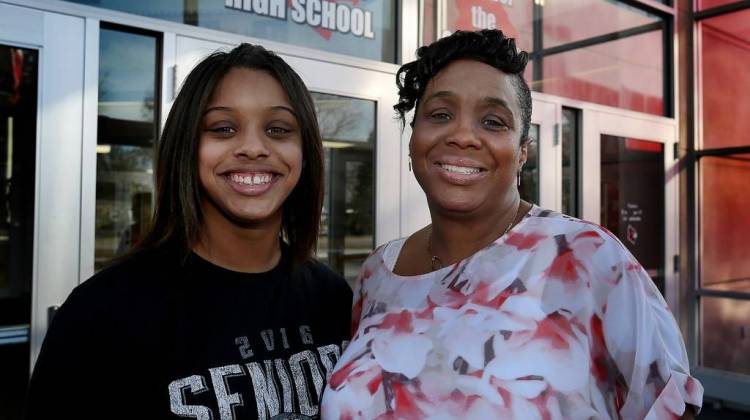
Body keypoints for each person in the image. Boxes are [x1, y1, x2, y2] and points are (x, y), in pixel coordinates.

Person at [321, 30, 703, 419]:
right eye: (440, 115)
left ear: (523, 152)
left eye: (492, 121)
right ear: (413, 137)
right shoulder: (378, 274)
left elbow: (669, 407)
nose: (463, 136)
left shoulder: (588, 258)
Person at [26, 43, 352, 419]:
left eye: (278, 129)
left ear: (305, 152)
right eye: (223, 128)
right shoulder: (103, 313)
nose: (252, 147)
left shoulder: (332, 298)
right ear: (188, 147)